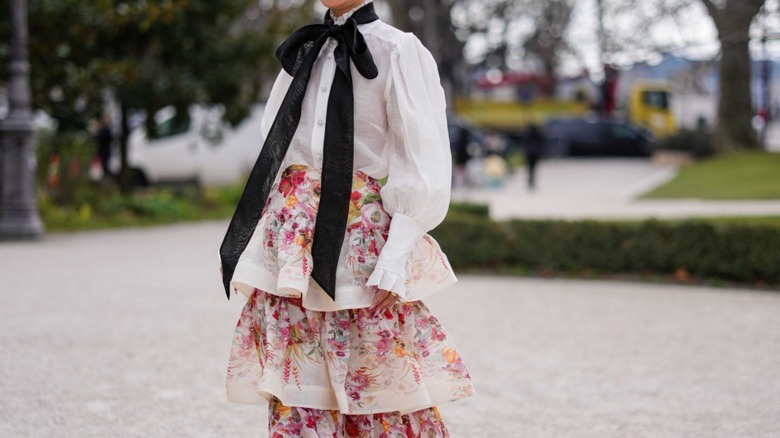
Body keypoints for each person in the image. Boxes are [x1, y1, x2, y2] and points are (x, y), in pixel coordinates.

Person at [218, 1, 474, 436]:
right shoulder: (304, 49)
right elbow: (275, 143)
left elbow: (422, 161)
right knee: (298, 371)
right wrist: (261, 238)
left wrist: (396, 256)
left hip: (358, 237)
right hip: (292, 238)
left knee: (373, 371)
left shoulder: (398, 51)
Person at [523, 124, 545, 190]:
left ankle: (530, 180)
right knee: (534, 168)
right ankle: (532, 181)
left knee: (530, 168)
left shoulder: (527, 135)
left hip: (529, 153)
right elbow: (542, 144)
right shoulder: (539, 135)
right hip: (536, 153)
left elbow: (524, 143)